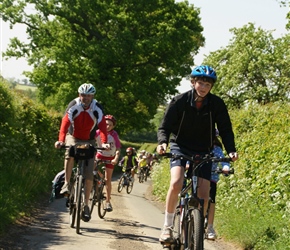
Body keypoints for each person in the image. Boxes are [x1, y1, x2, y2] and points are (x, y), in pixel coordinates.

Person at [156, 65, 238, 243]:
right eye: (200, 83)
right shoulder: (179, 101)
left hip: (204, 150)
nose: (203, 87)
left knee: (204, 194)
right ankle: (167, 227)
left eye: (207, 85)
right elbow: (165, 126)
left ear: (211, 87)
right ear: (193, 82)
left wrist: (231, 149)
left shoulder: (216, 104)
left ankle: (198, 227)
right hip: (180, 147)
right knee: (177, 182)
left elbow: (225, 129)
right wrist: (162, 143)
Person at [54, 83, 110, 222]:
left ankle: (85, 206)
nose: (86, 98)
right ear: (79, 95)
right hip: (73, 136)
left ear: (93, 96)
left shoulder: (97, 107)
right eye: (83, 95)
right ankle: (67, 184)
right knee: (70, 153)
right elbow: (65, 124)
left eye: (89, 95)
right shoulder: (74, 105)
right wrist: (61, 140)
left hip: (89, 140)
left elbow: (103, 127)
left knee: (89, 172)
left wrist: (104, 143)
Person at [207, 131, 230, 240]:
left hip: (211, 178)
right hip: (198, 176)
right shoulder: (197, 146)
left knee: (211, 201)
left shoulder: (217, 149)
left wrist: (226, 167)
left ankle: (210, 227)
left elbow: (223, 159)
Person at [95, 114, 121, 212]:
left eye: (110, 125)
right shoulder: (97, 132)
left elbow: (118, 148)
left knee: (108, 179)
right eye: (105, 124)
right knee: (92, 168)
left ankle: (108, 201)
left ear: (113, 126)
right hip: (99, 155)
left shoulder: (114, 135)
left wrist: (116, 158)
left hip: (110, 157)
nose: (107, 126)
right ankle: (98, 180)